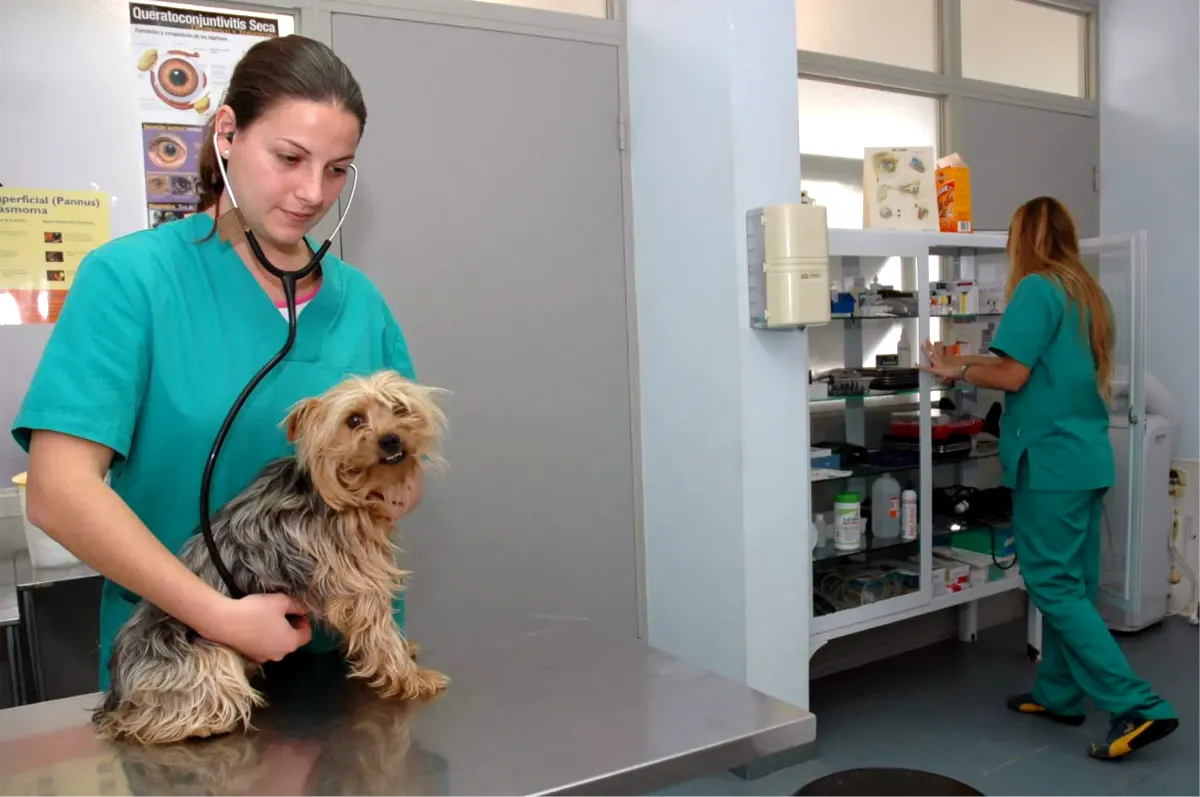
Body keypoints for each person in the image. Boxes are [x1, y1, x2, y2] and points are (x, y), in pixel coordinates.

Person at [11, 35, 422, 691]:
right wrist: (222, 616)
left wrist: (393, 483)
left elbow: (401, 477)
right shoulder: (130, 280)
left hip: (343, 667)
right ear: (227, 133)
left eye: (338, 168)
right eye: (289, 158)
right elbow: (60, 495)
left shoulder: (359, 302)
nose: (313, 191)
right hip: (189, 657)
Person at [920, 196, 1178, 760]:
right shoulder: (1086, 292)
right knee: (1075, 585)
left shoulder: (1037, 288)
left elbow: (1012, 374)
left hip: (1051, 466)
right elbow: (1039, 367)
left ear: (1024, 241)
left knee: (1053, 586)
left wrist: (955, 367)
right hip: (1086, 459)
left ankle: (1138, 703)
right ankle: (1059, 693)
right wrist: (970, 361)